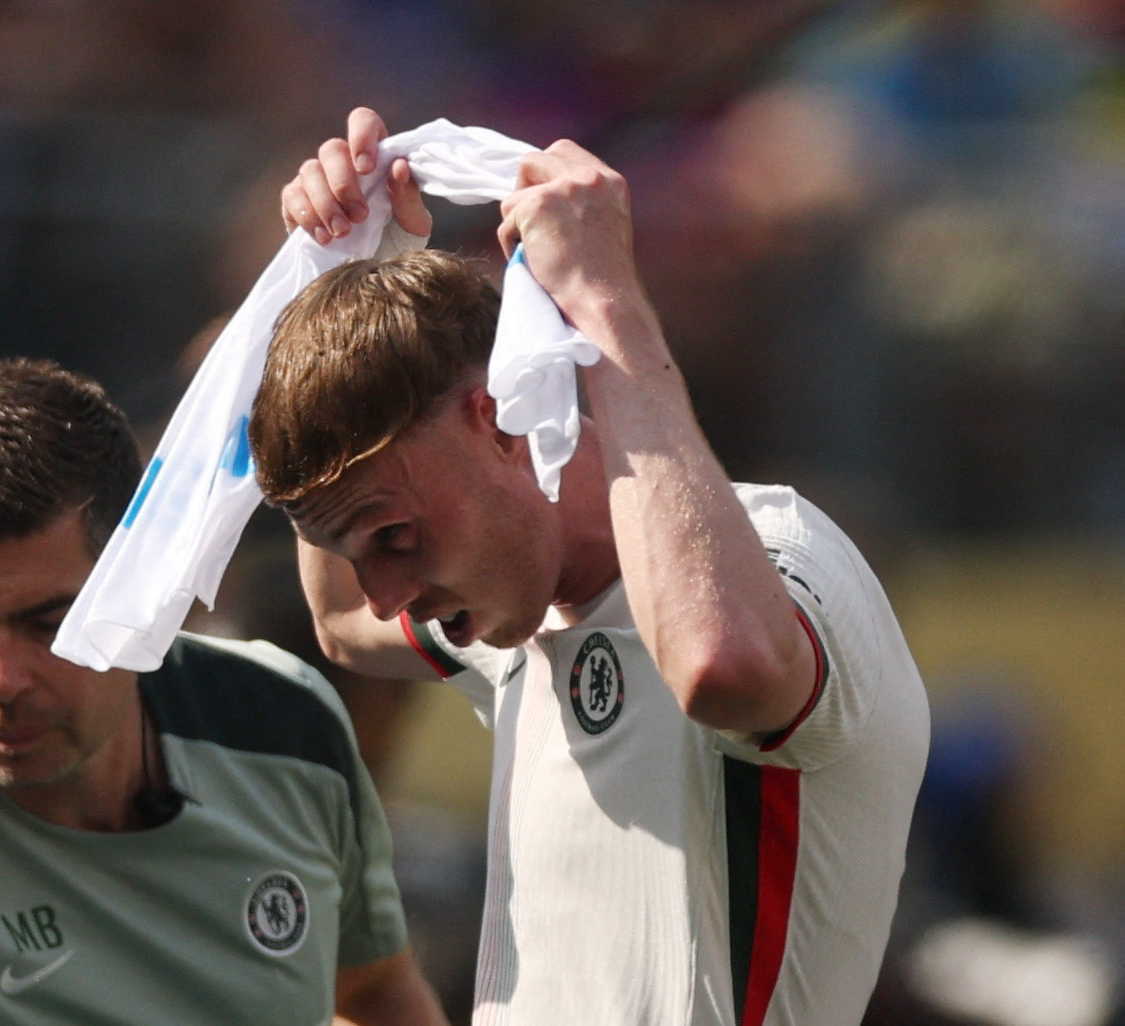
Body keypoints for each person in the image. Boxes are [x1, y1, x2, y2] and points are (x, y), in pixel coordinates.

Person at [248, 107, 931, 1025]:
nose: (385, 592)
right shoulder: (517, 610)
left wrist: (607, 304)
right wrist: (343, 278)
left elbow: (720, 666)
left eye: (394, 538)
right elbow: (343, 625)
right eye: (356, 551)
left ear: (497, 419)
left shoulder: (776, 562)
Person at [0, 357, 449, 1026]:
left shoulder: (286, 720)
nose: (0, 681)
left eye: (50, 624)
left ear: (139, 582)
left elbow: (374, 987)